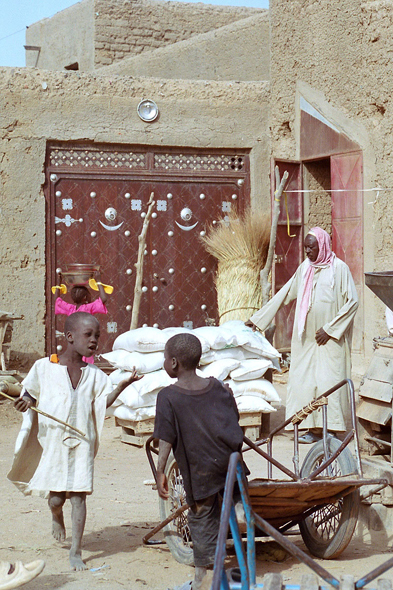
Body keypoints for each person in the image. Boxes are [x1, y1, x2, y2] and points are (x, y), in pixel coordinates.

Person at [8, 312, 141, 571]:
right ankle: (56, 517)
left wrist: (123, 385)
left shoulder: (95, 375)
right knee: (56, 500)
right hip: (55, 443)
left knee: (79, 497)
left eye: (97, 336)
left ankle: (76, 551)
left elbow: (102, 404)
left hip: (82, 442)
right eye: (88, 335)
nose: (94, 341)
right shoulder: (45, 367)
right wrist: (27, 401)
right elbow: (30, 393)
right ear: (69, 337)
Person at [246, 227, 358, 443]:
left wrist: (330, 330)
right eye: (305, 247)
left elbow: (352, 302)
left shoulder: (339, 269)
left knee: (329, 382)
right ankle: (311, 428)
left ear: (323, 246)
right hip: (306, 338)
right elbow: (285, 293)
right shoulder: (305, 269)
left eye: (312, 247)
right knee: (304, 382)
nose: (307, 251)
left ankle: (331, 430)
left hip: (330, 340)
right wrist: (259, 318)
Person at [154, 333, 244, 590]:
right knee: (229, 492)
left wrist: (160, 471)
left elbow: (166, 439)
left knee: (201, 515)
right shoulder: (218, 386)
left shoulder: (168, 397)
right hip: (231, 463)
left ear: (172, 363)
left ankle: (203, 576)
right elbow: (233, 418)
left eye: (164, 358)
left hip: (200, 469)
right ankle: (237, 508)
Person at [54, 271, 110, 363]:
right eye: (89, 295)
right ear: (85, 297)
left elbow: (57, 300)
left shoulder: (70, 309)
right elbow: (103, 299)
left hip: (75, 340)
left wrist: (58, 283)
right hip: (85, 340)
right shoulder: (88, 308)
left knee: (75, 360)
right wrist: (99, 281)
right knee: (86, 364)